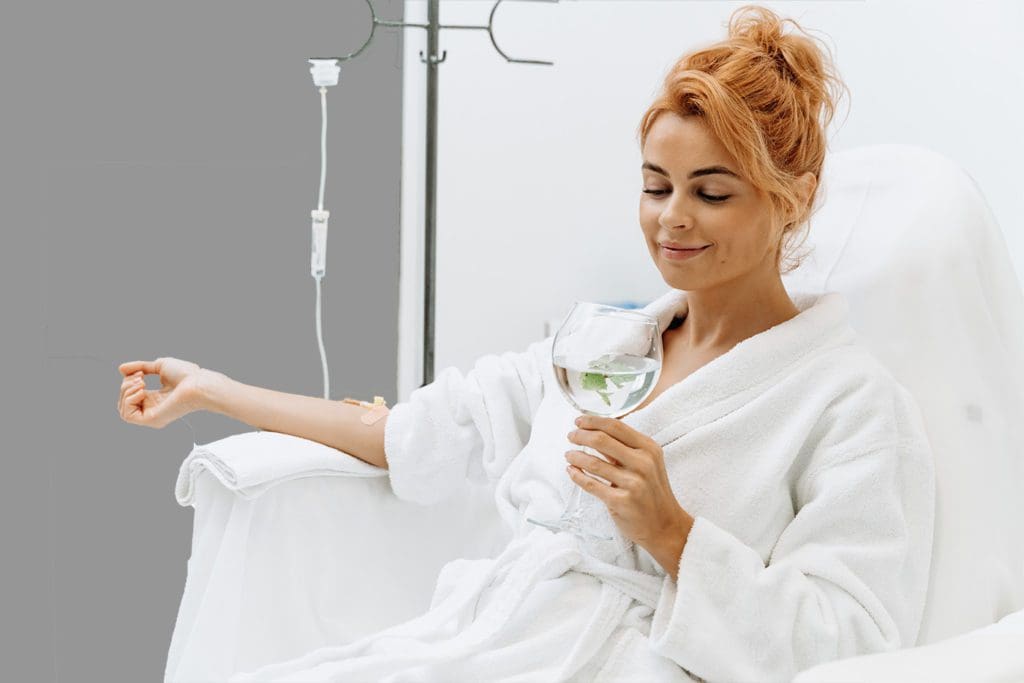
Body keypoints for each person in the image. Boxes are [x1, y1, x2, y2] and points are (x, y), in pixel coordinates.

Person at [117, 6, 935, 682]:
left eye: (710, 193)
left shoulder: (848, 403)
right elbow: (410, 434)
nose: (672, 218)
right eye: (655, 187)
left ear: (793, 199)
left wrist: (673, 533)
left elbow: (855, 643)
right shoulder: (603, 352)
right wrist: (214, 389)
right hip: (486, 641)